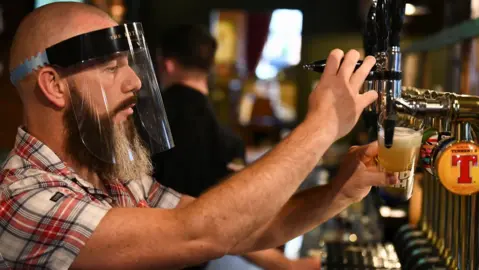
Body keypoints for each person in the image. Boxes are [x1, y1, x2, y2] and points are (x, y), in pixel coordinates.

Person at [0, 2, 396, 270]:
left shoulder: (114, 178)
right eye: (109, 68)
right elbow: (198, 233)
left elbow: (241, 226)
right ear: (54, 86)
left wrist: (340, 191)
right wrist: (322, 125)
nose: (135, 80)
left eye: (128, 65)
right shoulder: (23, 200)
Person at [153, 24, 319, 270]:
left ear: (166, 64)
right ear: (208, 66)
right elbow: (231, 220)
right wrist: (285, 264)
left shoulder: (146, 118)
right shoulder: (225, 139)